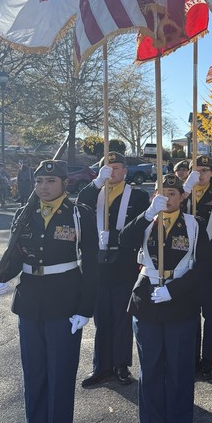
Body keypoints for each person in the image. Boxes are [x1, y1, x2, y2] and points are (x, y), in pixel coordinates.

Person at [0, 160, 98, 423]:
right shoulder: (26, 213)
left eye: (50, 180)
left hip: (65, 304)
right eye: (39, 181)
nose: (43, 186)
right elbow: (16, 256)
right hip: (30, 302)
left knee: (60, 374)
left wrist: (85, 309)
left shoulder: (79, 214)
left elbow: (92, 265)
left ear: (64, 183)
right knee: (34, 373)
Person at [120, 174, 209, 423]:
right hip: (146, 299)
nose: (167, 197)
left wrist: (176, 290)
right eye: (161, 192)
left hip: (179, 302)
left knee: (180, 370)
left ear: (182, 197)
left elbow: (204, 267)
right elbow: (124, 242)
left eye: (172, 193)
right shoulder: (147, 221)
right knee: (151, 369)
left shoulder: (195, 225)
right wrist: (147, 214)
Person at [77, 152, 150, 387]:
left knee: (121, 316)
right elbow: (79, 205)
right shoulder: (94, 192)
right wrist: (97, 182)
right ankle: (101, 366)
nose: (113, 171)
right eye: (108, 167)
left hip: (123, 263)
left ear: (125, 170)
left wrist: (116, 235)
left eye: (117, 167)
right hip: (97, 265)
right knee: (102, 317)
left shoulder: (137, 195)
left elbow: (139, 226)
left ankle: (121, 365)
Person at [181, 155, 212, 380]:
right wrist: (183, 191)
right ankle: (190, 357)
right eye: (196, 170)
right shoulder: (184, 194)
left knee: (210, 313)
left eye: (205, 170)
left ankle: (208, 358)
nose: (200, 174)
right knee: (189, 312)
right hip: (185, 263)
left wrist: (209, 250)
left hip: (210, 262)